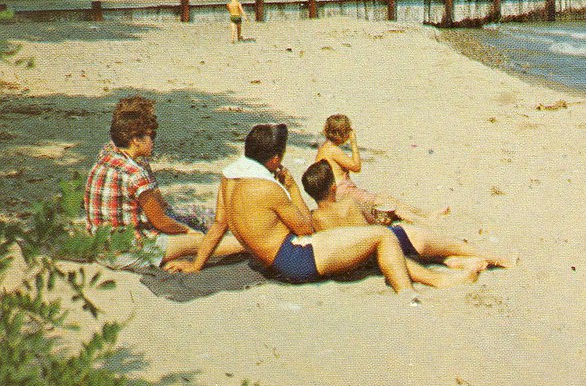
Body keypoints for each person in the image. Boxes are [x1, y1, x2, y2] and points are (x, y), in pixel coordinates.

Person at [165, 124, 479, 292]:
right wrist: (290, 188)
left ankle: (443, 262)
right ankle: (427, 285)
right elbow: (304, 228)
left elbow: (219, 225)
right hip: (296, 259)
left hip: (276, 254)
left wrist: (197, 264)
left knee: (363, 239)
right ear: (273, 159)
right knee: (379, 237)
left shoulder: (230, 178)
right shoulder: (268, 188)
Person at [83, 96, 245, 269]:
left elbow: (157, 205)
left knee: (199, 223)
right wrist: (186, 231)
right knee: (199, 242)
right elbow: (160, 220)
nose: (154, 141)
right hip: (128, 252)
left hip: (101, 245)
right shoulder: (135, 174)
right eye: (151, 135)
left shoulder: (108, 153)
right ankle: (250, 245)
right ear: (136, 140)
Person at [302, 160, 512, 272]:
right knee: (452, 244)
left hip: (363, 262)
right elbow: (368, 233)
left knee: (430, 251)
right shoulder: (347, 204)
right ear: (333, 187)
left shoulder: (316, 219)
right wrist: (381, 220)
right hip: (389, 243)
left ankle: (451, 261)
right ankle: (498, 259)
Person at [313, 113, 447, 223]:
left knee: (386, 197)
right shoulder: (332, 150)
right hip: (343, 192)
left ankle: (425, 214)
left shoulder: (325, 148)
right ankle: (423, 220)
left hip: (339, 191)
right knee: (385, 203)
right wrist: (354, 144)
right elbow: (356, 166)